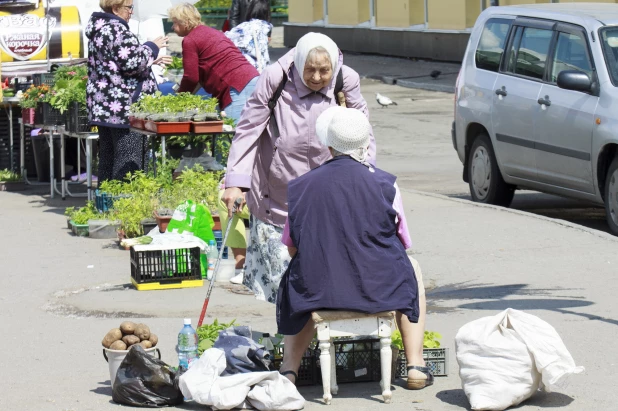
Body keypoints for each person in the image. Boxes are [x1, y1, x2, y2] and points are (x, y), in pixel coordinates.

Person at [277, 106, 433, 390]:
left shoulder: (300, 186)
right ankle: (415, 365)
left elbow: (292, 248)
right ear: (364, 144)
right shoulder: (385, 184)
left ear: (328, 145)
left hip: (319, 290)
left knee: (297, 276)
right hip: (379, 289)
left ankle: (289, 370)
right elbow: (402, 243)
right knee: (413, 269)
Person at [222, 32, 376, 299]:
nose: (317, 78)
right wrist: (235, 183)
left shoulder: (345, 78)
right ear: (298, 63)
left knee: (324, 274)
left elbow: (361, 131)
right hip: (277, 193)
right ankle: (290, 333)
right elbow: (249, 128)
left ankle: (313, 335)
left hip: (326, 192)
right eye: (310, 70)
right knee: (283, 278)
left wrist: (367, 175)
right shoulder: (276, 77)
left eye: (324, 71)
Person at [86, 0, 169, 182]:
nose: (131, 11)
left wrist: (148, 59)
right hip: (122, 107)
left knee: (108, 156)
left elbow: (113, 63)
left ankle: (105, 204)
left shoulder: (100, 28)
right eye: (128, 7)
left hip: (105, 106)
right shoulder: (116, 29)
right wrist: (151, 46)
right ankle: (124, 204)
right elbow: (132, 63)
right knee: (129, 159)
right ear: (115, 9)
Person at [168, 3, 259, 122]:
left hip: (235, 85)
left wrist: (180, 99)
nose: (172, 27)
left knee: (233, 133)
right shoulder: (212, 32)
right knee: (251, 131)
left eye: (175, 23)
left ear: (185, 22)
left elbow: (191, 77)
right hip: (253, 78)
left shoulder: (190, 40)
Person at [225, 0, 272, 73]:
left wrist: (268, 34)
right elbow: (234, 17)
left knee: (261, 55)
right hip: (244, 32)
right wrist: (237, 34)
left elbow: (268, 14)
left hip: (260, 31)